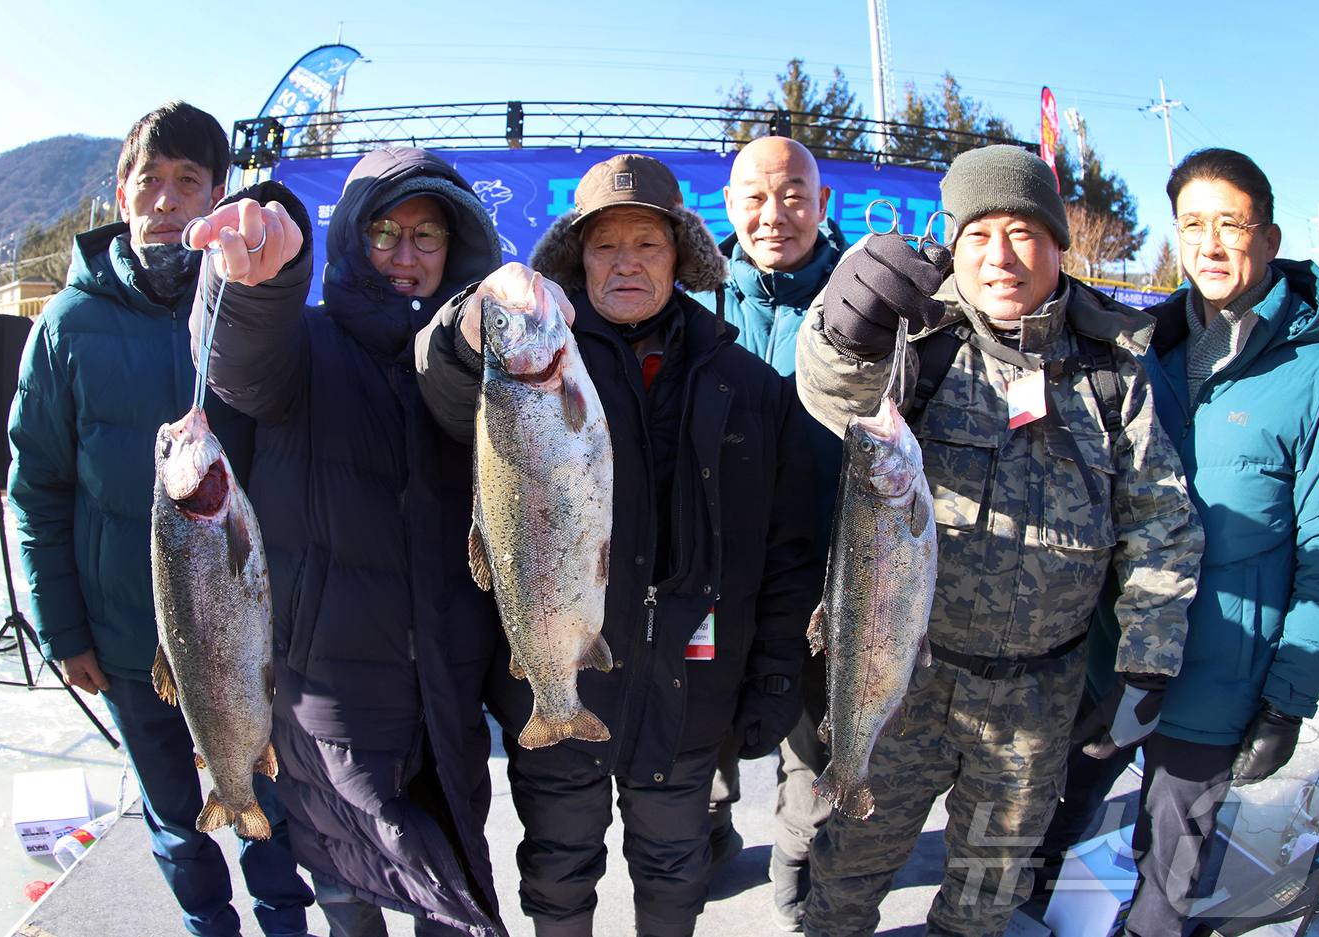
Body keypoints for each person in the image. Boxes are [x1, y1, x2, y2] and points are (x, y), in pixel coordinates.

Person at [792, 144, 1203, 937]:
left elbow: (1161, 521)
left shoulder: (1114, 371)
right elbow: (836, 388)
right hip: (904, 680)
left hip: (1037, 702)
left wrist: (1147, 658)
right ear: (954, 246)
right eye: (979, 235)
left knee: (987, 893)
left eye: (1024, 233)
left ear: (1059, 245)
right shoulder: (922, 340)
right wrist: (841, 334)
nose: (1002, 257)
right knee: (846, 875)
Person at [415, 153, 819, 937]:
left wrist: (775, 675)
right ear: (575, 260)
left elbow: (786, 547)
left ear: (682, 257)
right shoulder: (529, 365)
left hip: (692, 694)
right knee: (557, 873)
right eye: (604, 246)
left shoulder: (749, 383)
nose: (625, 262)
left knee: (676, 875)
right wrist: (476, 316)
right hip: (561, 678)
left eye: (648, 244)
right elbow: (440, 372)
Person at [180, 147, 508, 937]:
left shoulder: (480, 362)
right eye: (385, 231)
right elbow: (239, 362)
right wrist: (251, 285)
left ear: (455, 248)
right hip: (326, 690)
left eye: (426, 237)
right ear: (353, 238)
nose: (403, 255)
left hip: (449, 684)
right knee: (349, 897)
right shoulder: (307, 345)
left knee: (453, 887)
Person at [7, 101, 314, 937]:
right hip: (123, 642)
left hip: (249, 635)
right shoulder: (67, 325)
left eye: (190, 182)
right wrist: (62, 630)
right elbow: (35, 489)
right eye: (152, 181)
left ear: (218, 193)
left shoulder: (242, 303)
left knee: (267, 802)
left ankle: (286, 923)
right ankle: (207, 926)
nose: (168, 200)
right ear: (121, 193)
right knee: (175, 814)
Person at [1030, 148, 1319, 937]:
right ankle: (1022, 908)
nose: (1209, 244)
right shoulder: (1141, 347)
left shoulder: (1318, 377)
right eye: (1192, 225)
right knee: (1052, 815)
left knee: (1169, 862)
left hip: (1221, 672)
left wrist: (1287, 698)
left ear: (1268, 239)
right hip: (1113, 653)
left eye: (1230, 225)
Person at [699, 135, 847, 931]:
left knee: (815, 749)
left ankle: (796, 855)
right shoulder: (691, 300)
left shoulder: (866, 305)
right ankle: (711, 833)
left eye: (793, 193)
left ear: (824, 204)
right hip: (705, 584)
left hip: (822, 587)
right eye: (754, 196)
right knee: (699, 733)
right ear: (728, 207)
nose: (774, 213)